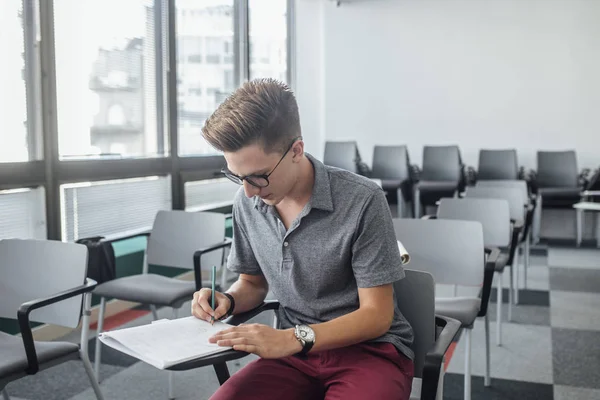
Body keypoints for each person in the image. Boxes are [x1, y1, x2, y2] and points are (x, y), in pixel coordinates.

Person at [191, 78, 414, 400]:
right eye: (237, 177)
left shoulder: (362, 199)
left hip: (368, 351)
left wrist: (293, 338)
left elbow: (377, 315)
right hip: (292, 354)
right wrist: (228, 300)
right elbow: (252, 284)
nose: (249, 190)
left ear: (297, 150)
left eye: (258, 176)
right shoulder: (248, 200)